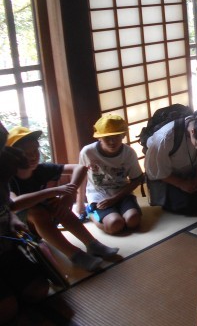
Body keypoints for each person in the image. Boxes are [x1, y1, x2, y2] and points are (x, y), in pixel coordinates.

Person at [7, 127, 119, 272]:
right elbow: (14, 204)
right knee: (37, 212)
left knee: (57, 204)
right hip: (22, 228)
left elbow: (80, 168)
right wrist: (52, 191)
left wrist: (69, 195)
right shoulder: (8, 178)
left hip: (47, 220)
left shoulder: (41, 169)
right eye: (26, 154)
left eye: (35, 151)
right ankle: (75, 255)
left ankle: (93, 244)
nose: (33, 156)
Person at [0, 143, 50, 324]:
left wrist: (12, 218)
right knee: (8, 310)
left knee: (39, 289)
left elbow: (7, 207)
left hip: (7, 250)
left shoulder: (3, 176)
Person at [145, 109, 197, 215]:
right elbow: (156, 171)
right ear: (193, 131)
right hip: (168, 177)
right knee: (187, 205)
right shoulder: (166, 137)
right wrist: (181, 184)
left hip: (191, 172)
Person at [79, 114, 144, 235]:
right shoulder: (88, 152)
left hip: (122, 192)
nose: (112, 142)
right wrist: (80, 204)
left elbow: (137, 178)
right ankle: (91, 213)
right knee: (115, 224)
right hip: (99, 194)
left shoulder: (128, 153)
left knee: (133, 221)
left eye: (116, 136)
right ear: (99, 137)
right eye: (107, 138)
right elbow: (81, 176)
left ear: (123, 135)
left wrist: (114, 199)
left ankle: (117, 211)